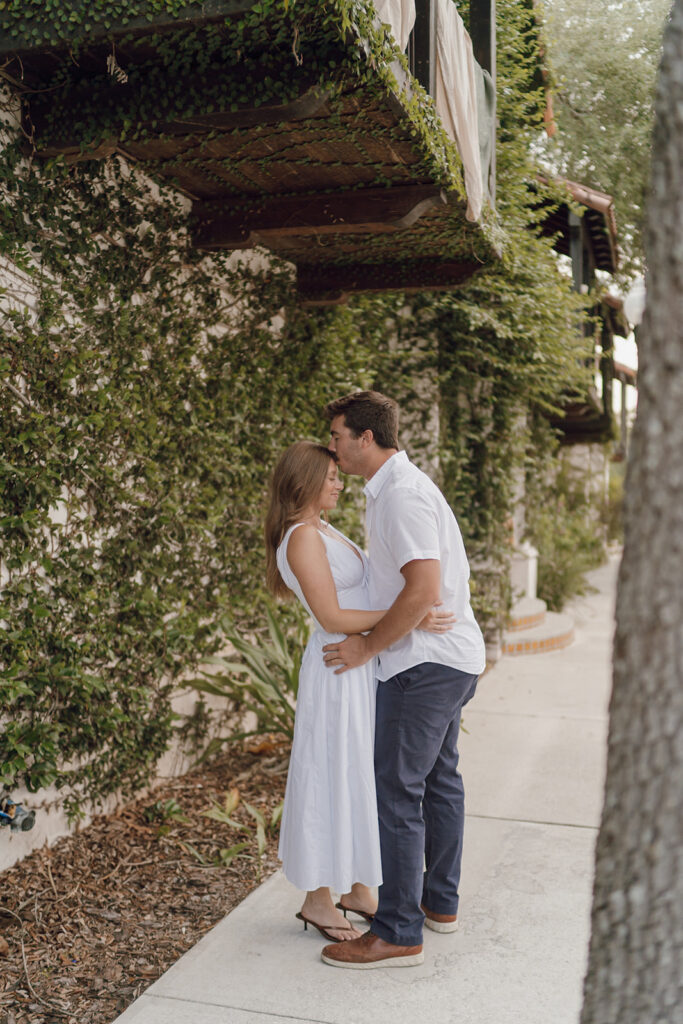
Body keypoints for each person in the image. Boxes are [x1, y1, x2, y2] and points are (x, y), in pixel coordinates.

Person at [319, 391, 486, 969]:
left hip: (425, 667)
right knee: (438, 782)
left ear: (367, 438)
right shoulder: (393, 491)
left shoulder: (402, 496)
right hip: (446, 659)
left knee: (397, 791)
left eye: (339, 436)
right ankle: (438, 905)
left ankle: (397, 930)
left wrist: (366, 645)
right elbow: (410, 590)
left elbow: (421, 590)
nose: (333, 447)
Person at [264, 440, 453, 943]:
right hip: (335, 667)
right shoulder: (301, 536)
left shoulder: (322, 529)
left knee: (359, 774)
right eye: (328, 475)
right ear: (303, 481)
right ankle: (317, 900)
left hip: (356, 664)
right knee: (330, 772)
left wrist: (399, 621)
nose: (338, 482)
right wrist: (409, 619)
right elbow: (332, 617)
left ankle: (357, 887)